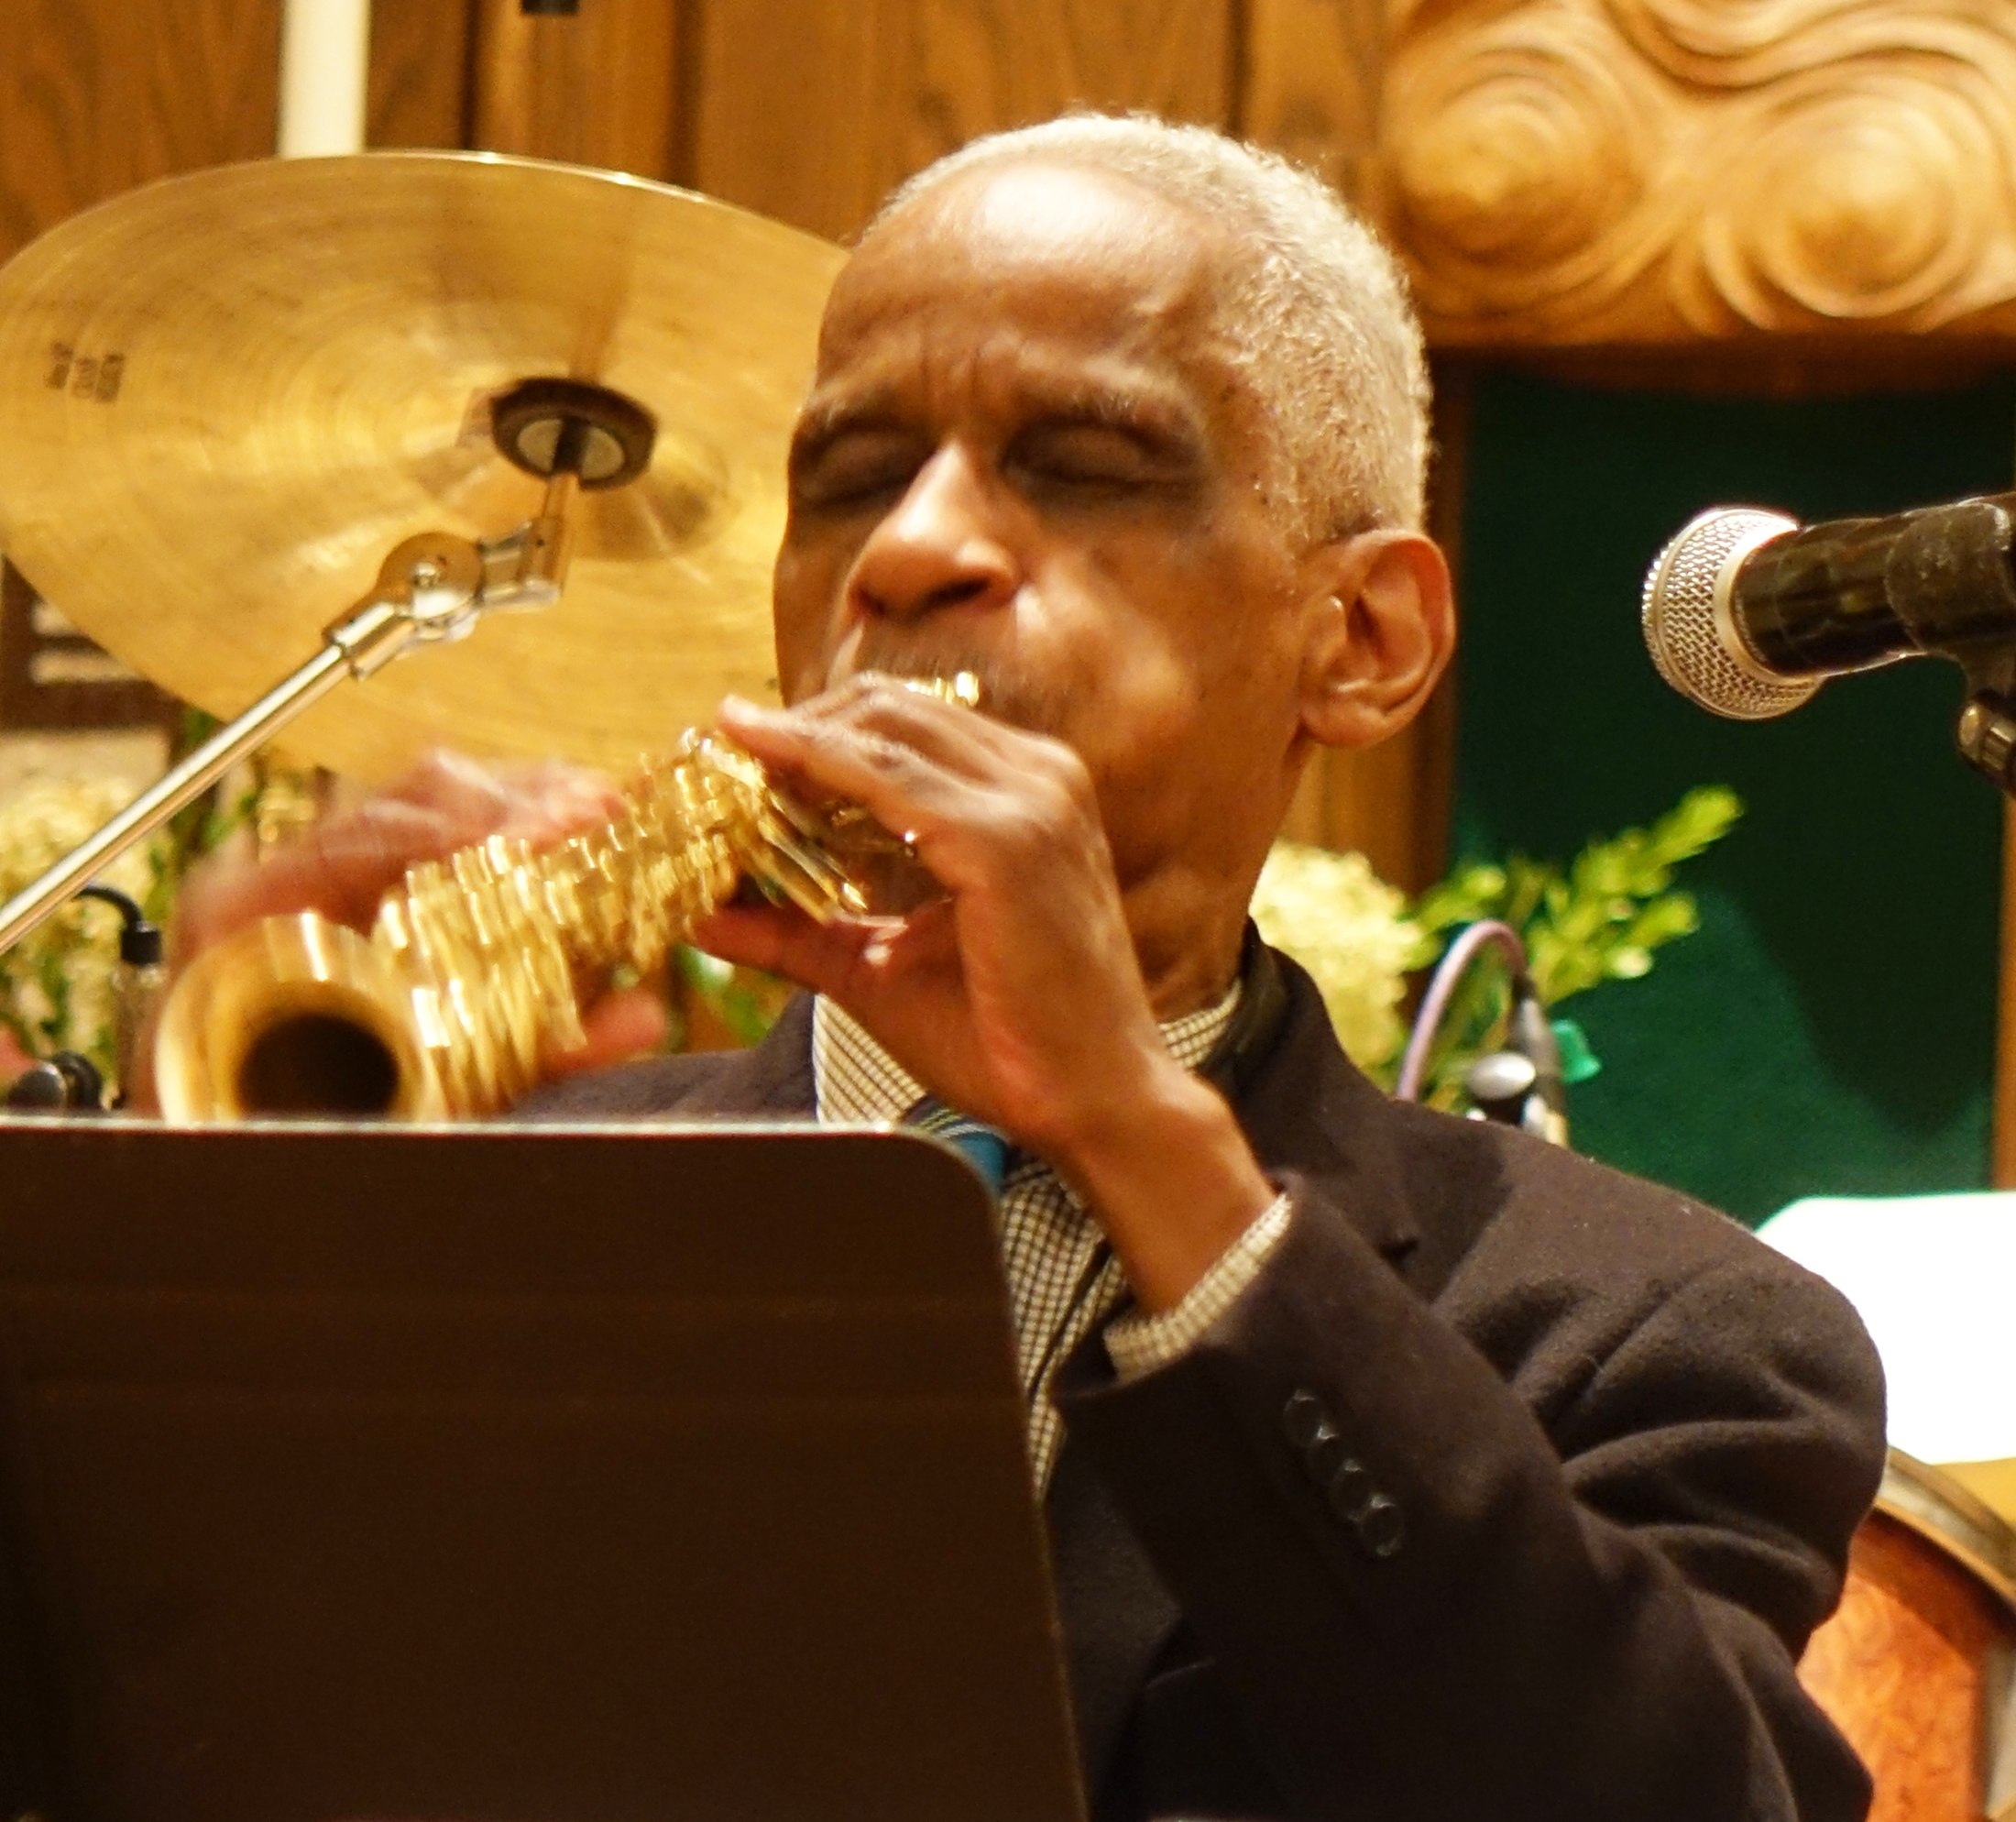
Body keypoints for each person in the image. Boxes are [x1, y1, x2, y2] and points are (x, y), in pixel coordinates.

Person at [173, 116, 1886, 1820]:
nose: (909, 551)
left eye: (1083, 463)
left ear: (1361, 641)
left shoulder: (1658, 1336)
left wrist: (1142, 1137)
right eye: (847, 479)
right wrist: (189, 1245)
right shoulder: (460, 1204)